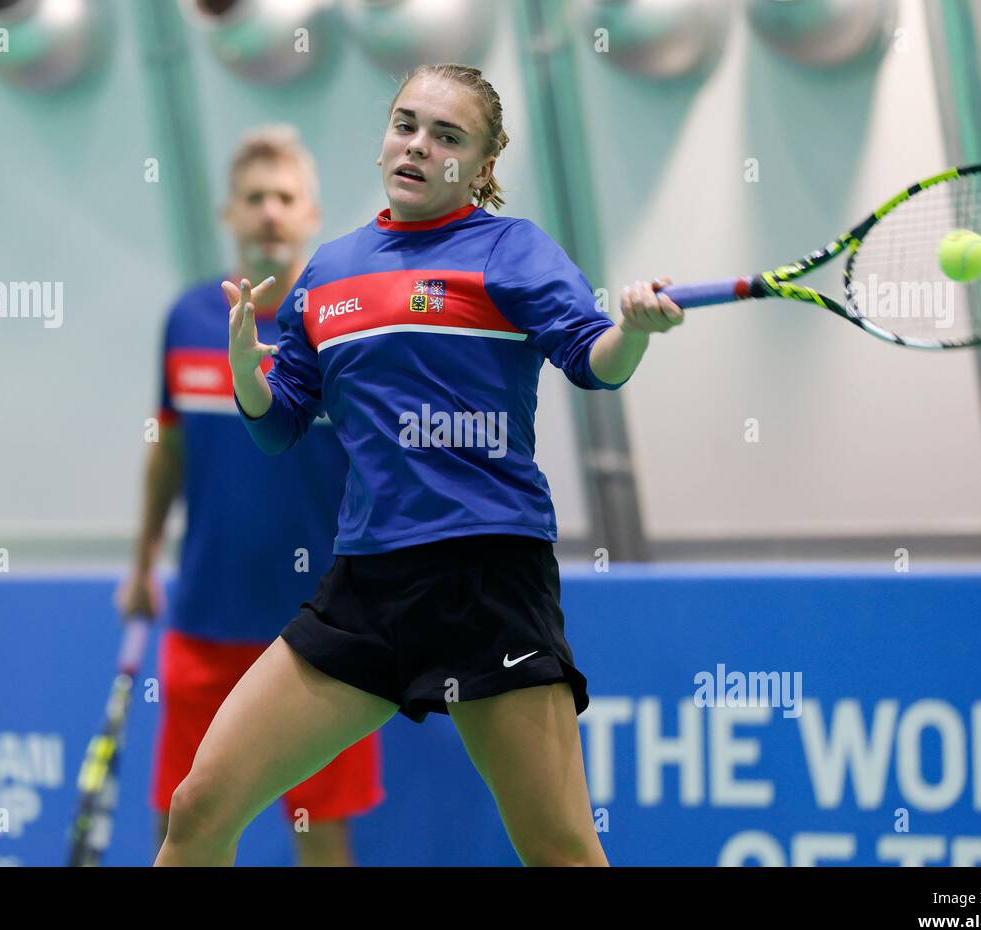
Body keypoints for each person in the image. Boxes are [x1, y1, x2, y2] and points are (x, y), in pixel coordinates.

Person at [155, 64, 681, 868]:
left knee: (561, 850)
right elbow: (279, 426)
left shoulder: (512, 251)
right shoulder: (329, 272)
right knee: (199, 807)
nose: (418, 145)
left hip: (488, 579)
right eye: (406, 123)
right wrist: (247, 383)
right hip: (367, 584)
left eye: (447, 136)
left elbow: (594, 362)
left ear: (480, 167)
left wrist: (633, 330)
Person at [120, 126, 383, 867]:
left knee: (320, 830)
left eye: (285, 198)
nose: (270, 211)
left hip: (324, 627)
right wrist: (141, 564)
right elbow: (167, 450)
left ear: (311, 215)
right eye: (254, 198)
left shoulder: (346, 324)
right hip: (206, 619)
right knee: (187, 820)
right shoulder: (188, 321)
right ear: (227, 215)